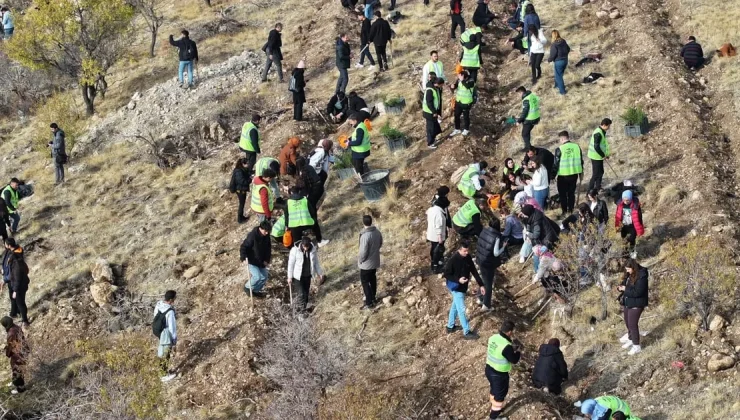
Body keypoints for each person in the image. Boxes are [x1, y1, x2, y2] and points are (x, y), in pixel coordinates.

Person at [444, 240, 483, 339]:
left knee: (455, 306)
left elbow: (473, 270)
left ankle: (450, 326)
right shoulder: (453, 260)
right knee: (461, 309)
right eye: (465, 251)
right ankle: (466, 332)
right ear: (459, 250)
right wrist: (458, 280)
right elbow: (447, 274)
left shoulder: (468, 257)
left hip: (463, 287)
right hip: (456, 288)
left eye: (467, 251)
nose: (467, 253)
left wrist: (481, 285)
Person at [485, 320, 522, 419]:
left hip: (489, 369)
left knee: (494, 390)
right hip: (499, 374)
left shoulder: (493, 338)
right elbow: (514, 360)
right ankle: (494, 416)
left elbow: (498, 351)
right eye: (512, 331)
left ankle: (494, 406)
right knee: (500, 394)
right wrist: (518, 351)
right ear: (509, 332)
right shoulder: (506, 346)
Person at [618, 259, 648, 355]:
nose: (627, 271)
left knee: (632, 324)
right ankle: (631, 339)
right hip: (628, 302)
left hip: (637, 303)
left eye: (628, 269)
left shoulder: (642, 276)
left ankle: (636, 346)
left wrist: (625, 289)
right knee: (627, 322)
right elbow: (625, 284)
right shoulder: (629, 274)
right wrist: (621, 287)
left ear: (633, 268)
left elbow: (638, 292)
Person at [476, 219, 506, 311]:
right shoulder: (496, 237)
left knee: (483, 280)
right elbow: (496, 253)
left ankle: (480, 298)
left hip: (480, 259)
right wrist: (504, 247)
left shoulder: (483, 230)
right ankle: (486, 305)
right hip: (488, 263)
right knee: (488, 284)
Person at [287, 237, 324, 310]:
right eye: (304, 247)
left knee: (306, 294)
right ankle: (300, 312)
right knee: (301, 294)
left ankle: (303, 308)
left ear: (310, 244)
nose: (306, 248)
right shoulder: (295, 250)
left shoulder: (313, 250)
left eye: (307, 247)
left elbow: (316, 263)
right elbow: (290, 264)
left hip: (308, 275)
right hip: (298, 276)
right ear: (302, 244)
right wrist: (289, 277)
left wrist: (320, 273)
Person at [553, 131, 583, 216]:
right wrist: (581, 172)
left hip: (563, 176)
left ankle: (564, 211)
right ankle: (571, 210)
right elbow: (581, 161)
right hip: (574, 174)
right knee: (571, 193)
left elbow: (556, 164)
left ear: (562, 138)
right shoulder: (577, 147)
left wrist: (552, 176)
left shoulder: (560, 149)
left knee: (563, 195)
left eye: (560, 139)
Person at [240, 221, 273, 297]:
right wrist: (243, 258)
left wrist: (266, 260)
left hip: (261, 261)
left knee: (264, 277)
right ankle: (247, 287)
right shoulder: (252, 236)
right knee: (257, 276)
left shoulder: (266, 236)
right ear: (260, 228)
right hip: (251, 260)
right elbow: (244, 247)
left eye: (268, 231)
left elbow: (268, 248)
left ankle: (255, 290)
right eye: (265, 231)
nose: (267, 233)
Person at [2, 238, 29, 327]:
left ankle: (25, 321)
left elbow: (17, 276)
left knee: (20, 302)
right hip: (12, 282)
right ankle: (14, 313)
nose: (4, 245)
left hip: (18, 284)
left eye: (5, 244)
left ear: (9, 245)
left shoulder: (16, 261)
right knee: (13, 298)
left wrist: (15, 290)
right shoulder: (10, 252)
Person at [358, 215, 383, 309]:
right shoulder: (377, 232)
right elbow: (380, 243)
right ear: (371, 221)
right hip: (375, 261)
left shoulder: (365, 236)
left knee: (365, 282)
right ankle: (373, 297)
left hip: (366, 264)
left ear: (363, 222)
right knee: (373, 279)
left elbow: (363, 252)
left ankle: (369, 302)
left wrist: (361, 260)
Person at [153, 290, 177, 382]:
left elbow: (155, 315)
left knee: (162, 350)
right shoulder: (169, 311)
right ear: (171, 299)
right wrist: (174, 341)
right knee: (166, 353)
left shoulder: (159, 304)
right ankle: (163, 375)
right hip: (165, 333)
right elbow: (172, 328)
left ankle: (163, 372)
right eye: (175, 298)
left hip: (158, 331)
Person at [1, 316, 28, 394]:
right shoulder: (16, 327)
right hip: (23, 350)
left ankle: (20, 388)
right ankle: (17, 383)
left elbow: (11, 346)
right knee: (19, 369)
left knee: (17, 370)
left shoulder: (11, 333)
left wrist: (8, 354)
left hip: (18, 354)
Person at [615, 190, 644, 257]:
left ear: (631, 199)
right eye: (624, 200)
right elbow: (617, 215)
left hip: (632, 226)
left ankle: (632, 254)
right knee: (624, 240)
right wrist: (617, 226)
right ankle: (625, 255)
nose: (625, 202)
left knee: (632, 239)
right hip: (623, 226)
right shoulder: (620, 205)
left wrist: (640, 229)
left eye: (627, 200)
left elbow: (639, 218)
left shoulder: (635, 206)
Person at [426, 195, 450, 274]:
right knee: (438, 251)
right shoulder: (439, 213)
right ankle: (436, 267)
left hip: (431, 234)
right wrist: (440, 237)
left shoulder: (431, 209)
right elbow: (438, 226)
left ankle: (433, 262)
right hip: (437, 236)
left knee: (433, 249)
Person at [449, 70, 476, 137]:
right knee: (456, 115)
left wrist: (462, 80)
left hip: (466, 102)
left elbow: (467, 86)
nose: (459, 77)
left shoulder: (471, 81)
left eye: (460, 76)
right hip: (459, 101)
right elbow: (456, 86)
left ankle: (466, 129)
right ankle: (457, 128)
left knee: (466, 116)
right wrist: (453, 86)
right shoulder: (459, 80)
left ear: (464, 76)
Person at [587, 118, 612, 192]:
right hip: (595, 156)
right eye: (608, 126)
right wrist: (603, 155)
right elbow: (596, 147)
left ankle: (598, 187)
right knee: (595, 174)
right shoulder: (598, 133)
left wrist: (605, 155)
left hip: (599, 156)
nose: (609, 128)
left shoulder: (602, 131)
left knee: (601, 172)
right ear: (604, 125)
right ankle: (589, 191)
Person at [515, 86, 540, 150]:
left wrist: (519, 121)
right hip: (536, 116)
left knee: (524, 134)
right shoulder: (532, 95)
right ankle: (528, 146)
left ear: (521, 92)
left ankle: (529, 149)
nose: (518, 95)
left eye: (518, 93)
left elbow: (525, 111)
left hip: (530, 119)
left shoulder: (526, 99)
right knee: (527, 132)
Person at [422, 76, 443, 149]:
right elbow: (429, 103)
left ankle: (433, 139)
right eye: (441, 85)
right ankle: (430, 143)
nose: (442, 86)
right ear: (437, 84)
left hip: (432, 112)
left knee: (435, 125)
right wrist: (434, 112)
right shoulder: (430, 90)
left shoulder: (435, 88)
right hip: (429, 112)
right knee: (430, 128)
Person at [230, 158, 252, 224]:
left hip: (241, 190)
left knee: (242, 204)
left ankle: (242, 217)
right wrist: (250, 180)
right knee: (241, 205)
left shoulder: (242, 169)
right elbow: (242, 181)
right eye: (247, 163)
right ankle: (240, 219)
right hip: (240, 191)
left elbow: (247, 173)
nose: (248, 165)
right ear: (243, 164)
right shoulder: (238, 171)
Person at [548, 30, 570, 95]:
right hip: (565, 60)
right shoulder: (563, 41)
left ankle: (562, 91)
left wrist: (549, 60)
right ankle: (556, 85)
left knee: (559, 76)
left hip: (558, 61)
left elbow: (553, 54)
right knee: (558, 74)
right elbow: (568, 49)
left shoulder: (554, 44)